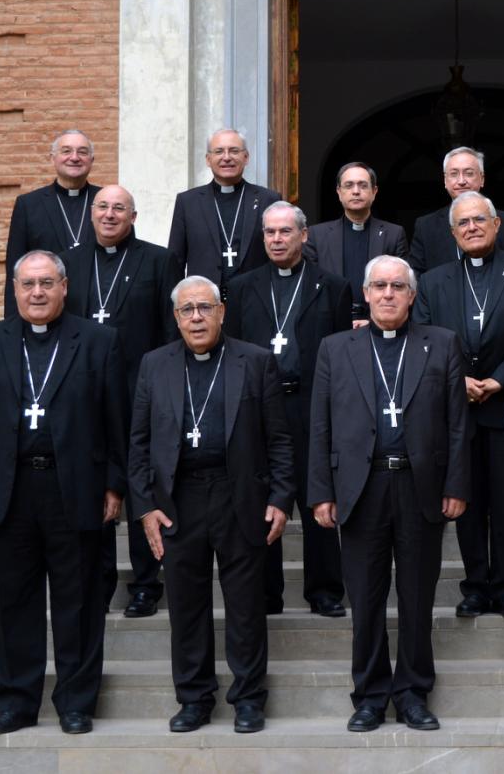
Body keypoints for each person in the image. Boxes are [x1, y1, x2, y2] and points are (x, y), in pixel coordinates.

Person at [0, 250, 127, 736]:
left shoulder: (98, 341)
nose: (37, 292)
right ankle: (15, 702)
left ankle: (76, 702)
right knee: (14, 600)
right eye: (28, 283)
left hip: (74, 486)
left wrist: (115, 485)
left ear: (64, 287)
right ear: (15, 290)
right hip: (8, 490)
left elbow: (115, 419)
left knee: (78, 601)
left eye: (47, 283)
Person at [307, 255, 470, 733]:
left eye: (398, 286)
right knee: (366, 597)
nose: (388, 294)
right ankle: (371, 695)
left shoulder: (440, 345)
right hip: (361, 487)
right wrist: (321, 491)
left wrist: (457, 484)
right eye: (379, 285)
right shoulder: (336, 349)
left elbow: (459, 425)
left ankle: (414, 692)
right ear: (366, 292)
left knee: (417, 598)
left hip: (421, 487)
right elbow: (320, 425)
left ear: (412, 295)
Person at [127, 275, 296, 735]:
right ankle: (195, 699)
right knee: (185, 605)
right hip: (176, 499)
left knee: (245, 604)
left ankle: (247, 698)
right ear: (176, 316)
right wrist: (145, 507)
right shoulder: (154, 365)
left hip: (238, 494)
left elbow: (280, 439)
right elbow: (139, 444)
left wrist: (281, 498)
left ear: (223, 311)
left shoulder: (256, 361)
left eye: (205, 308)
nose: (196, 317)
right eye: (187, 310)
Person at [413, 191, 504, 619]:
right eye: (463, 223)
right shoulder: (433, 281)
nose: (471, 228)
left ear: (496, 224)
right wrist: (461, 381)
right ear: (453, 232)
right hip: (456, 408)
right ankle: (474, 586)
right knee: (464, 500)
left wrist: (499, 378)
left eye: (479, 220)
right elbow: (425, 336)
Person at [225, 201, 353, 617]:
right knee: (262, 496)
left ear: (304, 235)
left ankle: (325, 591)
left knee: (318, 493)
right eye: (269, 233)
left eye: (284, 232)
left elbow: (341, 354)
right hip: (260, 407)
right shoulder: (242, 286)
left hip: (311, 404)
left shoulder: (332, 286)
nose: (276, 240)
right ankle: (266, 593)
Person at [60, 184, 178, 619]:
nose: (110, 215)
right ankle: (101, 579)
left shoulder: (159, 260)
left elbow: (170, 331)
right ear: (91, 214)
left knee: (141, 489)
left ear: (133, 216)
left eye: (119, 209)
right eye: (103, 207)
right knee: (97, 491)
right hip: (82, 396)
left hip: (140, 392)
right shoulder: (67, 263)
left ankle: (147, 582)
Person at [166, 128, 283, 298]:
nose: (226, 157)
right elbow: (175, 262)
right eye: (219, 151)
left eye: (234, 151)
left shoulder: (268, 199)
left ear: (246, 157)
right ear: (208, 159)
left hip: (256, 299)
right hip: (203, 304)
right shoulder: (188, 202)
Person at [3, 129, 102, 318]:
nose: (74, 158)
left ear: (92, 160)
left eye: (82, 152)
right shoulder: (29, 204)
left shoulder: (107, 202)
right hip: (46, 310)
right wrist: (12, 324)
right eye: (66, 151)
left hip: (96, 307)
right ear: (52, 158)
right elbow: (14, 269)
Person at [304, 161, 409, 325]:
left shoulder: (393, 234)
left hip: (378, 324)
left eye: (363, 185)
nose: (356, 191)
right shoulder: (317, 235)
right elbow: (309, 287)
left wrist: (373, 321)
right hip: (330, 324)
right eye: (349, 185)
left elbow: (403, 285)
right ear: (339, 192)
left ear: (374, 192)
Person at [407, 147, 504, 274]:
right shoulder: (425, 226)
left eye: (469, 173)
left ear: (482, 179)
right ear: (445, 181)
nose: (462, 181)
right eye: (454, 174)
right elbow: (416, 277)